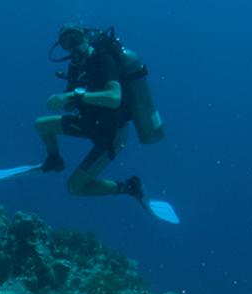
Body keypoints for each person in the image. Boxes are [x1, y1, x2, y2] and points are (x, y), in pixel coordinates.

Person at [35, 23, 165, 206]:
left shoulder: (104, 59)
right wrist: (63, 102)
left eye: (75, 38)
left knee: (75, 187)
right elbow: (73, 100)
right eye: (66, 42)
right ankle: (54, 160)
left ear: (85, 37)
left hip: (111, 133)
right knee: (41, 125)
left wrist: (73, 96)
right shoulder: (76, 66)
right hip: (89, 122)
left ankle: (130, 187)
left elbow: (114, 98)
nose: (72, 45)